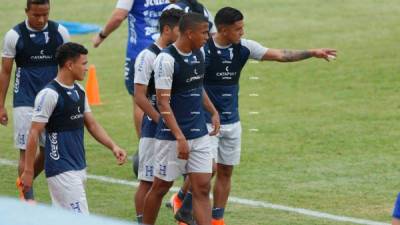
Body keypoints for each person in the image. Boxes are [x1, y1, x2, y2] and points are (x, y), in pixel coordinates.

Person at [171, 7, 338, 225]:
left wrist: (312, 52)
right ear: (223, 30)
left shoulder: (245, 48)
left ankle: (215, 218)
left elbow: (281, 55)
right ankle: (186, 208)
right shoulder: (203, 50)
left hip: (232, 121)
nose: (242, 32)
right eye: (238, 28)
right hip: (206, 122)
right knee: (207, 170)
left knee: (225, 171)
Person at [20, 42, 127, 214]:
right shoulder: (49, 95)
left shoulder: (79, 91)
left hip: (79, 166)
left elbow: (91, 124)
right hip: (61, 169)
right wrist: (28, 171)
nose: (86, 68)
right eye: (83, 64)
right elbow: (34, 132)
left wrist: (113, 146)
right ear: (70, 65)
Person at [142, 13, 220, 225]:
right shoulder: (165, 60)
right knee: (160, 187)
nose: (207, 37)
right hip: (171, 138)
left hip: (199, 133)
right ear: (189, 33)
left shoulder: (199, 53)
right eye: (204, 33)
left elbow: (197, 85)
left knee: (202, 187)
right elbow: (162, 102)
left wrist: (212, 111)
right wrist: (179, 137)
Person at [0, 0, 70, 201]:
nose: (41, 19)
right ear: (26, 12)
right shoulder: (14, 36)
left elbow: (69, 66)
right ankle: (26, 197)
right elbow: (5, 72)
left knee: (49, 150)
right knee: (25, 151)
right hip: (25, 99)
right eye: (36, 15)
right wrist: (1, 104)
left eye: (45, 14)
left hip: (52, 100)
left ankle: (24, 180)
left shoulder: (60, 33)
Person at [92, 0, 173, 140]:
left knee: (140, 100)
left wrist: (101, 35)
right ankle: (167, 137)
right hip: (167, 50)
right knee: (168, 96)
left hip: (140, 53)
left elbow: (118, 16)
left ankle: (145, 144)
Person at [133, 8, 184, 224]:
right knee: (148, 182)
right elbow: (139, 96)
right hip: (154, 130)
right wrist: (161, 120)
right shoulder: (148, 56)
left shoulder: (178, 55)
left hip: (177, 126)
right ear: (166, 29)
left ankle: (183, 205)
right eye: (180, 30)